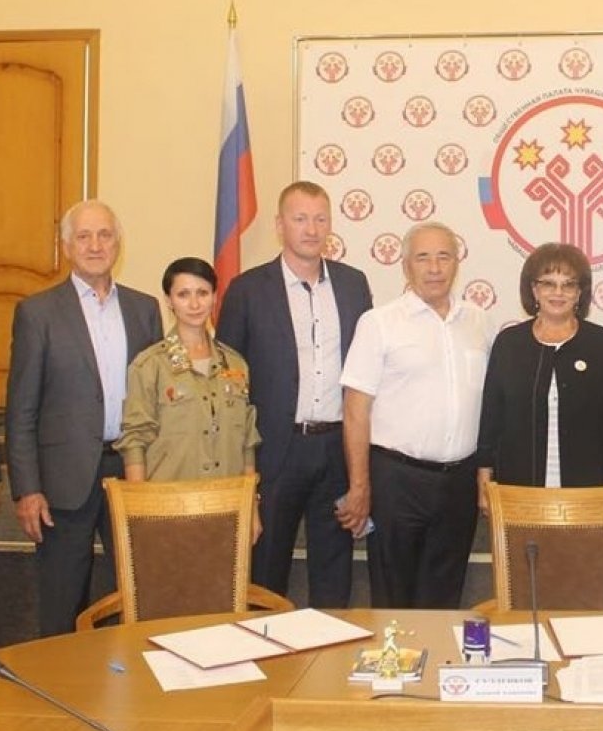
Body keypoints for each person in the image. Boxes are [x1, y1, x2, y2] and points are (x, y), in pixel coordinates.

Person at [5, 201, 162, 636]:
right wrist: (27, 489)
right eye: (84, 236)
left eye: (105, 235)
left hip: (131, 472)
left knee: (136, 595)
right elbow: (21, 409)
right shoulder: (38, 313)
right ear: (67, 246)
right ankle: (58, 678)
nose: (95, 245)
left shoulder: (144, 309)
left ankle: (126, 677)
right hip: (63, 480)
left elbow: (156, 402)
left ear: (118, 243)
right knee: (62, 602)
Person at [217, 181, 372, 608]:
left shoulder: (353, 284)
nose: (311, 229)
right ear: (279, 225)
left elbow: (366, 373)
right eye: (300, 218)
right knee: (266, 572)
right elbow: (230, 384)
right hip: (274, 451)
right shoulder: (247, 290)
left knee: (334, 573)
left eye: (320, 219)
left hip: (337, 449)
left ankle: (334, 647)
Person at [337, 222, 492, 608]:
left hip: (458, 482)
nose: (434, 267)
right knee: (394, 598)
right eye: (423, 258)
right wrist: (359, 486)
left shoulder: (478, 322)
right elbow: (355, 412)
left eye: (444, 257)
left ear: (457, 263)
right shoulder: (379, 323)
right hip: (396, 481)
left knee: (445, 598)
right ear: (406, 266)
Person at [475, 242, 603, 501]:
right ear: (534, 290)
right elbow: (491, 417)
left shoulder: (601, 343)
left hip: (590, 489)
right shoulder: (509, 343)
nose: (558, 293)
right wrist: (484, 481)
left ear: (579, 292)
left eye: (568, 284)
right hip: (517, 488)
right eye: (548, 283)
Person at [115, 259, 261, 505]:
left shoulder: (235, 364)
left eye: (202, 293)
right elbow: (135, 441)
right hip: (169, 507)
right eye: (183, 294)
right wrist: (139, 508)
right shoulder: (150, 366)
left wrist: (251, 508)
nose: (194, 304)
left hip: (228, 504)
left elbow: (247, 442)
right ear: (169, 301)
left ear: (215, 297)